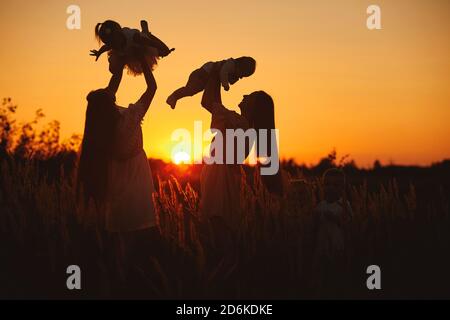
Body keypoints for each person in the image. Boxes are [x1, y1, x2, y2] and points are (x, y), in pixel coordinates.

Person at [198, 63, 282, 234]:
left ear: (254, 107)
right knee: (219, 231)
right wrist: (217, 75)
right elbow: (214, 103)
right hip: (221, 176)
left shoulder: (238, 124)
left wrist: (216, 71)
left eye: (250, 96)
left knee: (217, 231)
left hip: (220, 179)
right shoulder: (242, 126)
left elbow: (207, 102)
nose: (244, 95)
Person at [77, 55, 157, 233]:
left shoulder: (97, 133)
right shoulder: (128, 120)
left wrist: (121, 61)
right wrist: (143, 59)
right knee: (141, 233)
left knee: (119, 237)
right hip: (138, 183)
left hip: (115, 187)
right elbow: (152, 88)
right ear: (110, 105)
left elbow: (110, 90)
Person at [166, 57, 256, 109]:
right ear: (241, 66)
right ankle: (174, 96)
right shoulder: (231, 64)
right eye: (243, 73)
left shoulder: (234, 70)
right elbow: (223, 72)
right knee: (190, 90)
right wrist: (225, 85)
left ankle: (174, 97)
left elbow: (228, 78)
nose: (241, 76)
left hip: (206, 78)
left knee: (192, 92)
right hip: (202, 74)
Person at [90, 19, 174, 75]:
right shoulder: (112, 43)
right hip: (127, 52)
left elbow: (151, 43)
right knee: (113, 69)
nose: (113, 45)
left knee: (163, 52)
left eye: (114, 42)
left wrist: (163, 48)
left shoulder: (134, 37)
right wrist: (98, 53)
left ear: (119, 34)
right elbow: (105, 47)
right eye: (111, 43)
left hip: (141, 45)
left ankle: (146, 32)